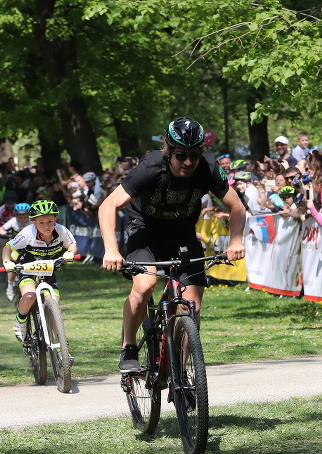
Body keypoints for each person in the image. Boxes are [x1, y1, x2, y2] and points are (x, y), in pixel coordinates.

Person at [99, 117, 246, 372]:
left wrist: (235, 241)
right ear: (169, 151)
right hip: (145, 229)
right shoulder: (151, 167)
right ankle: (129, 345)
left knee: (192, 306)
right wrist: (111, 249)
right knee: (145, 287)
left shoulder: (209, 169)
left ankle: (183, 373)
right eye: (181, 155)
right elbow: (108, 205)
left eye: (194, 155)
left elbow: (237, 206)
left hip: (182, 232)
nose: (188, 162)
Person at [1, 200, 76, 341]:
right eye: (41, 223)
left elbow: (72, 244)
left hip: (48, 272)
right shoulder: (28, 232)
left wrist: (69, 253)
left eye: (50, 221)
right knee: (29, 296)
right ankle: (20, 320)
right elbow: (8, 247)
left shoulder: (61, 230)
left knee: (55, 306)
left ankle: (62, 347)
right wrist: (7, 261)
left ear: (55, 219)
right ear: (34, 222)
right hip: (28, 269)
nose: (46, 226)